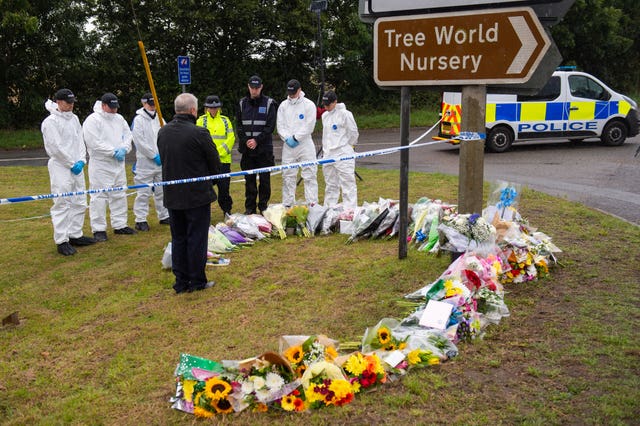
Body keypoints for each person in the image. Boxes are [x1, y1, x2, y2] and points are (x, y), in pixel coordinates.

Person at [157, 93, 221, 294]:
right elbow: (215, 164)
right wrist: (212, 180)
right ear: (193, 111)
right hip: (196, 196)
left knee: (179, 238)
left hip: (173, 196)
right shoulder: (199, 133)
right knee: (196, 238)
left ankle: (181, 281)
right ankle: (196, 281)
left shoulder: (163, 132)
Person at [41, 88, 97, 256]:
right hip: (60, 166)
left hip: (76, 165)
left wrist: (81, 159)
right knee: (62, 202)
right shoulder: (50, 122)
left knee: (79, 200)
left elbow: (80, 140)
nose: (71, 105)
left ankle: (75, 234)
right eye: (68, 102)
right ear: (58, 102)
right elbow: (54, 147)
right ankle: (62, 240)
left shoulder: (74, 118)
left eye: (72, 102)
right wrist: (71, 162)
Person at [82, 92, 136, 241]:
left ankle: (120, 224)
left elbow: (128, 135)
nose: (114, 110)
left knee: (119, 193)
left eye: (116, 107)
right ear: (103, 105)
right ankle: (99, 229)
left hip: (118, 163)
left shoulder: (119, 119)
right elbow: (94, 142)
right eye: (111, 107)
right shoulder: (93, 120)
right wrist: (112, 152)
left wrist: (124, 149)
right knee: (99, 196)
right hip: (101, 164)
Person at [236, 75, 277, 215]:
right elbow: (239, 126)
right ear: (248, 87)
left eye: (257, 88)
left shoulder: (269, 103)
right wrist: (246, 140)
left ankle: (264, 207)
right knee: (249, 181)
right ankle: (250, 208)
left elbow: (270, 126)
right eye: (252, 88)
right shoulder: (242, 103)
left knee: (265, 181)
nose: (254, 90)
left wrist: (257, 140)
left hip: (264, 149)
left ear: (261, 87)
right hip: (247, 150)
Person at [276, 79, 318, 206]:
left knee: (309, 174)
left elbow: (309, 126)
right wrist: (287, 138)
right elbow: (280, 125)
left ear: (299, 90)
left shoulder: (309, 105)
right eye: (289, 92)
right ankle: (288, 205)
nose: (291, 95)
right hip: (288, 146)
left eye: (293, 92)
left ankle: (312, 205)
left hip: (305, 144)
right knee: (288, 176)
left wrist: (296, 138)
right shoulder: (283, 105)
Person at [131, 92, 170, 231]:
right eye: (150, 104)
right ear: (144, 103)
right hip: (145, 164)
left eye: (154, 104)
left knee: (162, 191)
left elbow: (166, 135)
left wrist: (164, 154)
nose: (152, 107)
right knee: (143, 192)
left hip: (161, 162)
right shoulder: (139, 120)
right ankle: (140, 219)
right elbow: (139, 141)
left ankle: (164, 215)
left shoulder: (160, 118)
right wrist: (153, 155)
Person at [196, 95, 235, 216]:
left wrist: (217, 153)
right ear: (206, 108)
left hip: (223, 162)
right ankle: (204, 214)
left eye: (215, 107)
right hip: (206, 163)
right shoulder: (200, 121)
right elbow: (198, 140)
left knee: (224, 189)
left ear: (219, 107)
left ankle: (227, 211)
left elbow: (231, 138)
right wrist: (211, 155)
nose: (213, 109)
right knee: (205, 190)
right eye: (210, 107)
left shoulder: (225, 120)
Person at [320, 90, 359, 210]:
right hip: (328, 154)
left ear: (335, 102)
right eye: (324, 105)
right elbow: (326, 136)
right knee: (330, 184)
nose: (326, 107)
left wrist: (348, 146)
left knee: (348, 184)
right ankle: (329, 210)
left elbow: (353, 133)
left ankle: (349, 211)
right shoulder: (324, 116)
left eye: (328, 105)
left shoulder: (345, 114)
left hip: (343, 153)